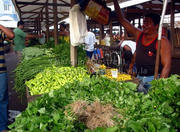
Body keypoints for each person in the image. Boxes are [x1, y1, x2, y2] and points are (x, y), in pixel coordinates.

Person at [113, 0, 171, 90]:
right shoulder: (139, 34)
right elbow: (122, 21)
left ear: (156, 26)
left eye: (147, 23)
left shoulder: (162, 41)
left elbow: (166, 66)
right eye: (144, 22)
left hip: (153, 79)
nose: (144, 25)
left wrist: (159, 87)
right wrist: (115, 2)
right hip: (139, 77)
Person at [0, 24, 14, 132]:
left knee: (2, 98)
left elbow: (11, 35)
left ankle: (3, 126)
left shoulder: (0, 32)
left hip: (1, 70)